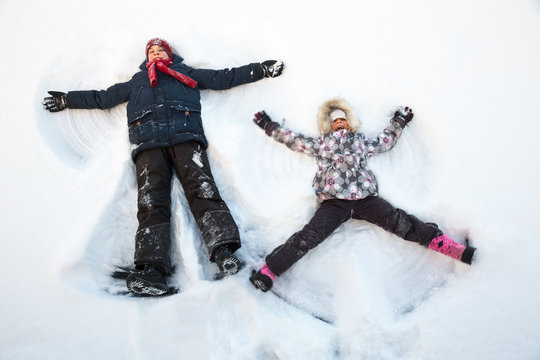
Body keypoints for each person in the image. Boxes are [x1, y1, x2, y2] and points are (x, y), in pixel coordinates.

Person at [43, 37, 284, 296]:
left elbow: (223, 77)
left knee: (202, 190)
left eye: (160, 51)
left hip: (186, 139)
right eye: (151, 52)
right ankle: (151, 270)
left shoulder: (185, 73)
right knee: (150, 203)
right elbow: (103, 98)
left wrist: (260, 69)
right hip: (148, 146)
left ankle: (224, 251)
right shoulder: (136, 82)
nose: (155, 54)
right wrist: (68, 100)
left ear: (170, 55)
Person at [249, 97, 476, 292]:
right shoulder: (322, 144)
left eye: (343, 120)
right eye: (335, 121)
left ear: (349, 123)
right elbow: (296, 141)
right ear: (329, 125)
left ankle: (446, 246)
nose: (339, 123)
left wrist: (398, 122)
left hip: (365, 199)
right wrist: (271, 126)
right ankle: (270, 272)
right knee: (309, 237)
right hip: (334, 202)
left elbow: (384, 142)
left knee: (400, 222)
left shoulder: (360, 142)